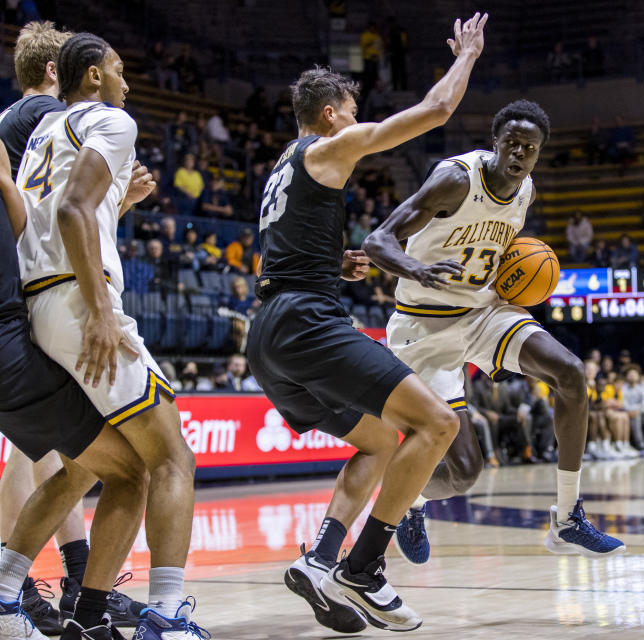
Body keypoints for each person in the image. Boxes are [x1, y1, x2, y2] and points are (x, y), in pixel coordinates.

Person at [246, 14, 499, 633]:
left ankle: (321, 558)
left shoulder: (284, 164)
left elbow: (275, 255)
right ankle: (364, 569)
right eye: (353, 109)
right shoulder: (330, 146)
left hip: (270, 332)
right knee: (438, 424)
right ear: (331, 113)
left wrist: (336, 264)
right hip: (308, 323)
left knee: (381, 440)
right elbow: (435, 111)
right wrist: (466, 57)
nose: (358, 120)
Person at [363, 93, 625, 565]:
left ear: (539, 153)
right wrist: (415, 269)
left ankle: (567, 517)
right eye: (512, 143)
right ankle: (410, 501)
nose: (520, 154)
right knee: (463, 472)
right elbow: (377, 240)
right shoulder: (455, 180)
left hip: (485, 311)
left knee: (570, 373)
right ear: (496, 143)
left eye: (530, 147)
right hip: (425, 326)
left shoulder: (526, 191)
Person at [14, 33, 202, 638]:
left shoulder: (46, 134)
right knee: (171, 456)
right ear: (94, 75)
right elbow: (71, 213)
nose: (125, 82)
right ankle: (169, 617)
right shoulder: (112, 120)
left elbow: (56, 219)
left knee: (85, 468)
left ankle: (76, 613)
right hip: (78, 304)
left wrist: (120, 200)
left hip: (40, 306)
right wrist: (99, 310)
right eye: (119, 70)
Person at [621, 365, 644, 450]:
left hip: (639, 412)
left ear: (638, 376)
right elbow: (624, 405)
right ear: (626, 377)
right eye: (630, 374)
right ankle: (640, 445)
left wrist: (638, 410)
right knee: (636, 417)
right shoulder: (623, 389)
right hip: (628, 414)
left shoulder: (641, 388)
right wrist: (635, 410)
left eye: (634, 374)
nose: (632, 376)